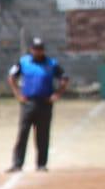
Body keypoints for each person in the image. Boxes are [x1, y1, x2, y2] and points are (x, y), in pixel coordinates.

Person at [7, 37, 68, 173]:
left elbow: (64, 78)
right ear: (31, 50)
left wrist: (57, 94)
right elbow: (11, 76)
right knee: (23, 133)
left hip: (45, 103)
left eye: (40, 49)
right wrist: (17, 94)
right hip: (28, 102)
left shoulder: (52, 64)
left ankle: (41, 164)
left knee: (43, 135)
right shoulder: (23, 62)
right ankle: (17, 164)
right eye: (35, 49)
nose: (38, 51)